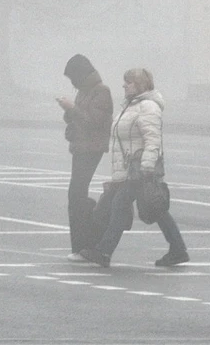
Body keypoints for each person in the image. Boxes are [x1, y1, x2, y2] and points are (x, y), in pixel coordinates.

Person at [80, 68, 189, 268]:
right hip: (132, 167)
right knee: (156, 210)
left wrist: (147, 165)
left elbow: (153, 138)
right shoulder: (132, 105)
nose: (124, 85)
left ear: (139, 85)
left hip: (140, 168)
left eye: (128, 82)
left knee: (122, 204)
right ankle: (178, 249)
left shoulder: (147, 107)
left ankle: (104, 251)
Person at [57, 54, 112, 261]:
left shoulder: (101, 91)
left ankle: (84, 243)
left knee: (76, 193)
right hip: (80, 147)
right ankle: (80, 244)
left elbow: (94, 122)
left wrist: (73, 108)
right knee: (76, 194)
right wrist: (68, 111)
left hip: (91, 147)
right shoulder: (84, 91)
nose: (72, 82)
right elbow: (80, 118)